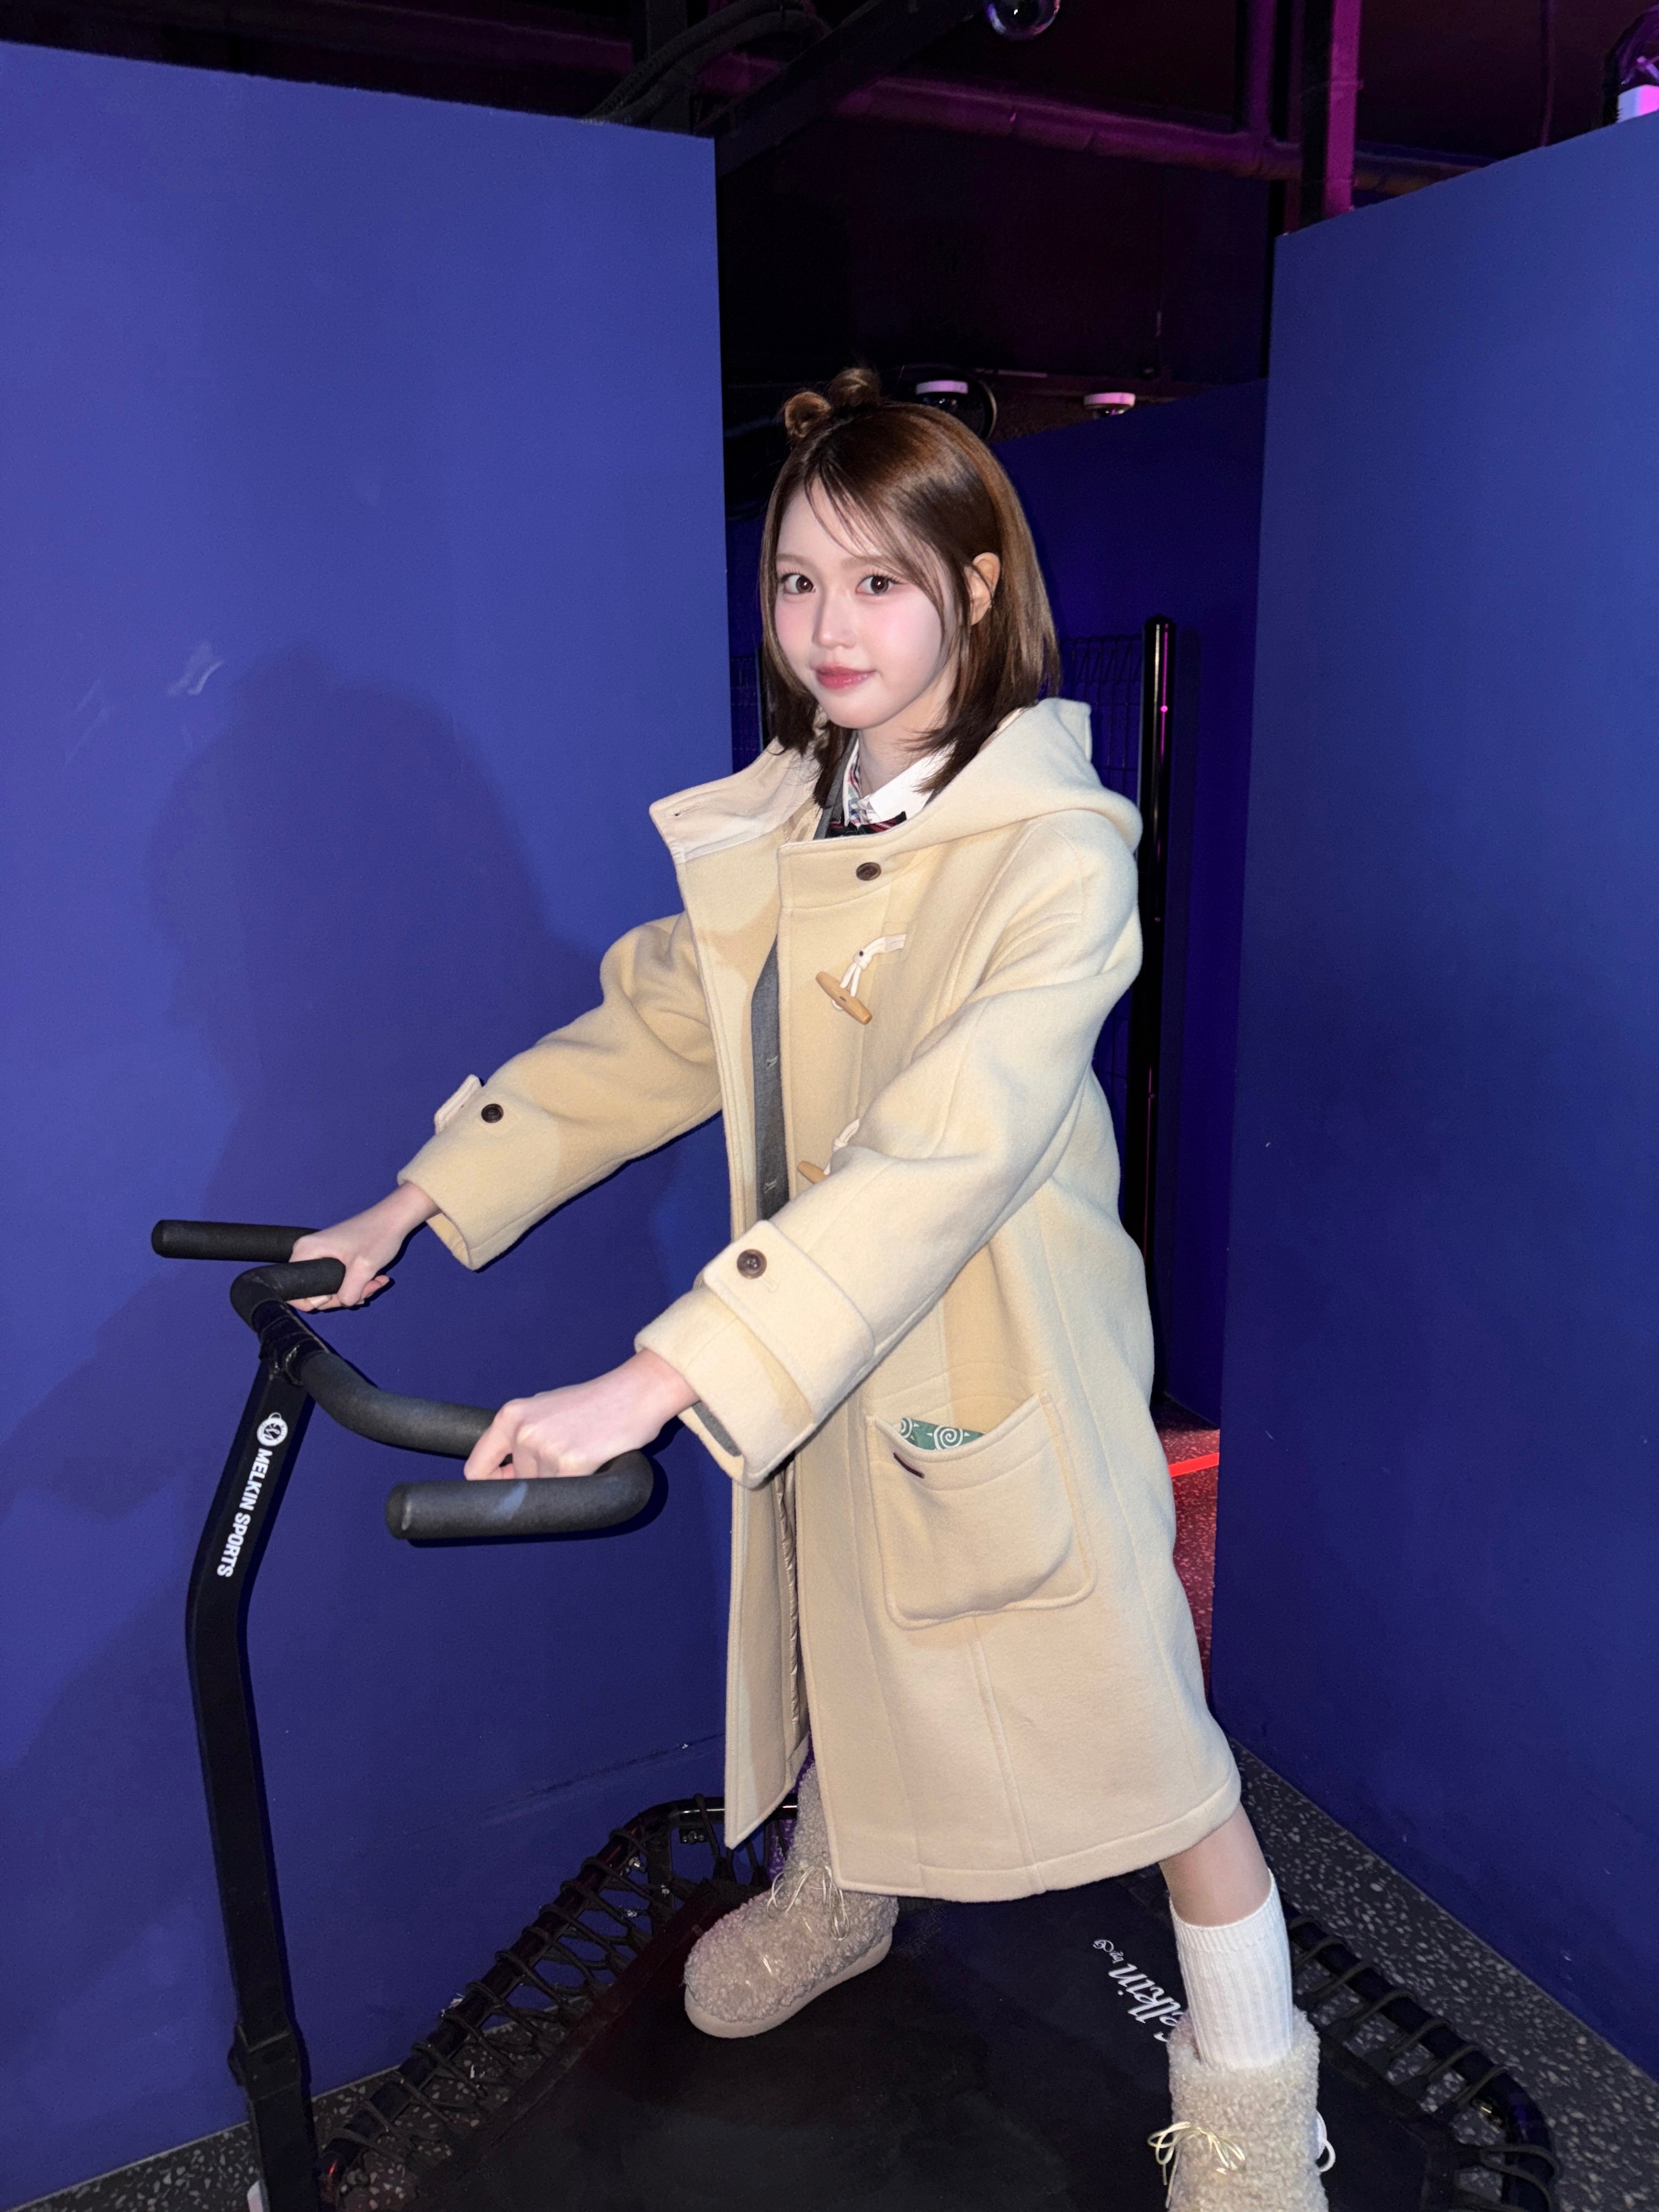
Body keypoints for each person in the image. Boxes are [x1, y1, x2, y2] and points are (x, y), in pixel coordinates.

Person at [292, 369, 1333, 2208]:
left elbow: (945, 1149)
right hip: (805, 1342)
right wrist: (415, 1199)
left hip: (996, 1358)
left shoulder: (1055, 855)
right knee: (836, 1636)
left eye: (878, 583)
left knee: (1152, 1757)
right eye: (796, 581)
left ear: (978, 592)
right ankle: (846, 1884)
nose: (829, 628)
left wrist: (662, 1375)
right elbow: (655, 1031)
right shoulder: (794, 815)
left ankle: (1254, 2097)